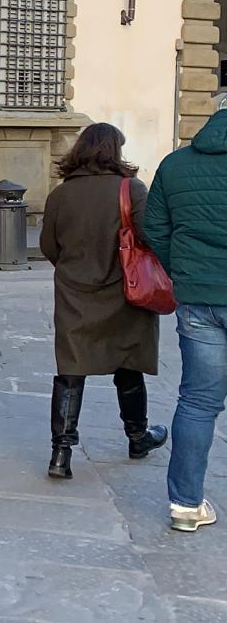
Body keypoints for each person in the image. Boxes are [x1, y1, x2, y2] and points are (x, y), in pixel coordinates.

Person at [39, 123, 167, 482]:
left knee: (70, 370)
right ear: (114, 151)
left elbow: (49, 247)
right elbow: (150, 237)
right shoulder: (131, 190)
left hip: (75, 294)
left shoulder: (61, 195)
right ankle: (138, 437)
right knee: (129, 363)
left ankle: (60, 454)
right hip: (124, 293)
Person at [143, 107, 227, 532]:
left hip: (198, 298)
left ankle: (186, 505)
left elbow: (153, 226)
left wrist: (184, 269)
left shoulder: (175, 165)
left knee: (197, 402)